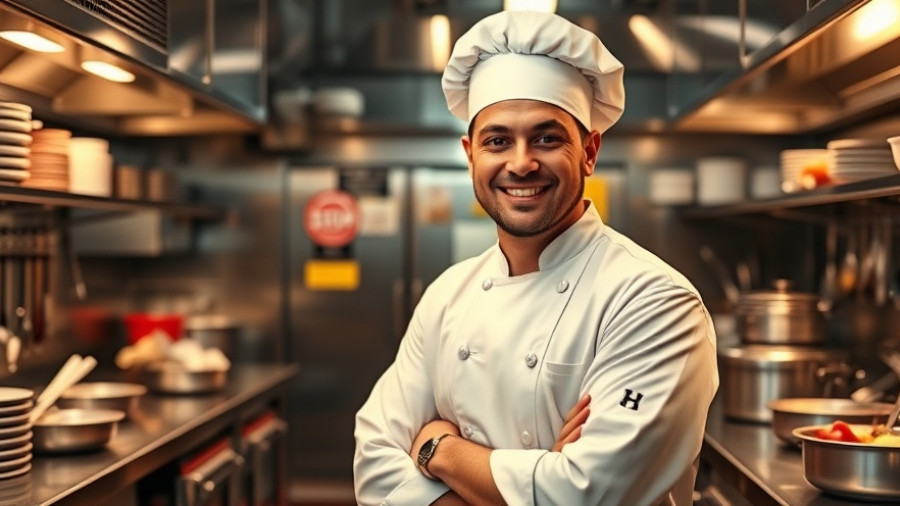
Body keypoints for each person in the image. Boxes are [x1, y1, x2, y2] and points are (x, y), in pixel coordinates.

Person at [354, 10, 718, 506]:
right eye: (497, 141)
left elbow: (588, 494)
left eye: (547, 138)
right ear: (470, 155)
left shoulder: (654, 301)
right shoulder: (447, 294)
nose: (521, 163)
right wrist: (542, 477)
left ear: (589, 151)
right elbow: (374, 463)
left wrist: (439, 450)